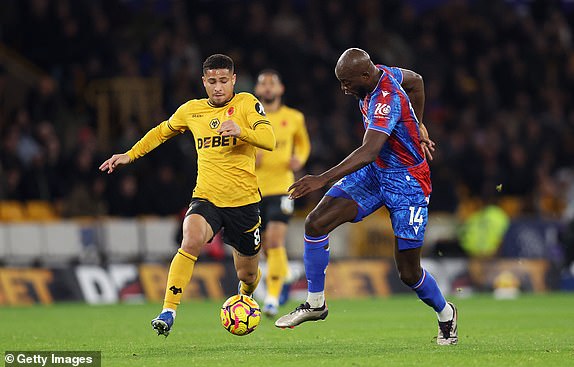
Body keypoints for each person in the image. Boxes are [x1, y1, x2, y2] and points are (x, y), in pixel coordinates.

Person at [275, 48, 458, 346]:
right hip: (377, 173)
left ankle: (446, 312)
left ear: (364, 75)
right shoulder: (383, 72)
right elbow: (417, 81)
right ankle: (315, 303)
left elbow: (369, 150)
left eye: (347, 82)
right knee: (315, 223)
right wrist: (417, 123)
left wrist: (321, 178)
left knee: (409, 273)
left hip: (407, 182)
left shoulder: (385, 98)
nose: (344, 88)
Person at [99, 54, 275, 337]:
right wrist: (130, 154)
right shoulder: (191, 111)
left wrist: (242, 131)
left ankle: (246, 295)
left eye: (223, 81)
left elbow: (270, 140)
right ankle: (168, 311)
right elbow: (160, 132)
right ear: (204, 82)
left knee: (248, 275)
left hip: (243, 203)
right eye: (212, 82)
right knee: (191, 237)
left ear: (233, 80)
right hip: (206, 198)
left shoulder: (246, 103)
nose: (218, 88)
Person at [254, 69, 311, 317]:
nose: (267, 87)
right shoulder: (249, 118)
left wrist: (300, 158)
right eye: (263, 84)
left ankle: (272, 299)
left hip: (283, 187)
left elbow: (304, 143)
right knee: (266, 246)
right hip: (254, 190)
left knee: (276, 241)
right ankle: (284, 275)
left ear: (280, 89)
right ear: (258, 91)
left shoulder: (294, 117)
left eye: (272, 83)